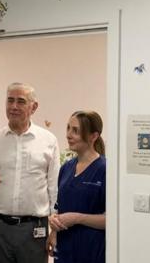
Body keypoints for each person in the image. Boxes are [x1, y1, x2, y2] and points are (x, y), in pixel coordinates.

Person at [0, 82, 60, 263]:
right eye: (10, 101)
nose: (14, 106)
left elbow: (54, 189)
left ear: (34, 107)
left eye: (21, 101)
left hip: (34, 230)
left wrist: (54, 231)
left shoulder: (49, 141)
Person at [46, 111, 106, 263]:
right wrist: (53, 228)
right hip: (65, 248)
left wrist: (78, 218)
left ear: (93, 136)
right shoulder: (66, 168)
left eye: (76, 131)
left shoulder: (105, 169)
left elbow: (112, 220)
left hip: (91, 250)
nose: (68, 135)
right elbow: (60, 207)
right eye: (68, 128)